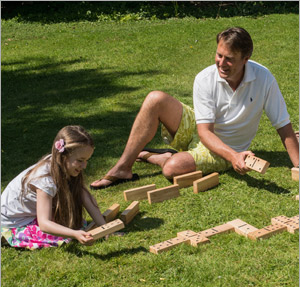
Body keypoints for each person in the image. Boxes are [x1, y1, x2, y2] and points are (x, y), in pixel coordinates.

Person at [90, 27, 299, 190]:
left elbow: (283, 126)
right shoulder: (204, 78)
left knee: (172, 168)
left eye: (229, 59)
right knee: (155, 99)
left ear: (246, 59)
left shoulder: (264, 78)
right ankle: (122, 169)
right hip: (203, 130)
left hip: (227, 147)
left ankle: (158, 157)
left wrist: (298, 167)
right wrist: (235, 159)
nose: (221, 63)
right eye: (219, 55)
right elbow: (204, 131)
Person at [1, 125, 107, 250]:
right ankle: (6, 236)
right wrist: (74, 234)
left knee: (74, 225)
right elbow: (45, 224)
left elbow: (84, 195)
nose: (84, 166)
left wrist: (105, 228)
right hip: (14, 224)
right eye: (80, 160)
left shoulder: (61, 164)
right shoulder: (45, 181)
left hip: (30, 215)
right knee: (64, 235)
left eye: (87, 160)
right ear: (63, 156)